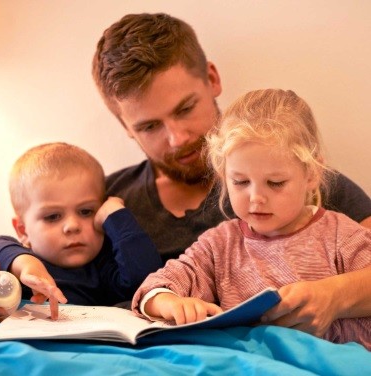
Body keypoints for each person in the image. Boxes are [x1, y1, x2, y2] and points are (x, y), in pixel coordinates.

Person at [91, 12, 371, 264]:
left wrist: (334, 296)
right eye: (150, 126)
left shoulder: (295, 176)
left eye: (186, 109)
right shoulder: (101, 200)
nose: (177, 138)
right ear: (125, 126)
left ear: (212, 79)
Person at [131, 89, 371, 349]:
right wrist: (169, 302)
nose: (256, 198)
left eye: (275, 183)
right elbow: (157, 285)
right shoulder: (220, 245)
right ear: (224, 176)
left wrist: (334, 297)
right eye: (241, 182)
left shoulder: (340, 236)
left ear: (311, 175)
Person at [0, 142, 162, 319]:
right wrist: (26, 265)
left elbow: (149, 281)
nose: (72, 226)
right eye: (53, 216)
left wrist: (116, 217)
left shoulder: (105, 267)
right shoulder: (22, 268)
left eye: (86, 211)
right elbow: (0, 246)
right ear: (23, 230)